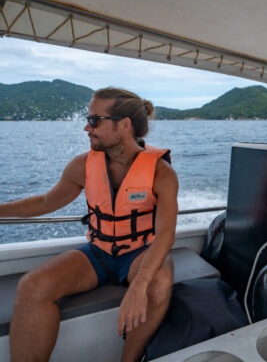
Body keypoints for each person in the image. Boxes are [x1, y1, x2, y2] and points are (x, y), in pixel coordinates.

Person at [0, 88, 179, 362]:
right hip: (98, 253)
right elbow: (45, 202)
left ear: (124, 125)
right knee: (32, 286)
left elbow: (166, 233)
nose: (87, 127)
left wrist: (139, 286)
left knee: (158, 283)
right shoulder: (82, 165)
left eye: (95, 120)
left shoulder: (161, 172)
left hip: (140, 252)